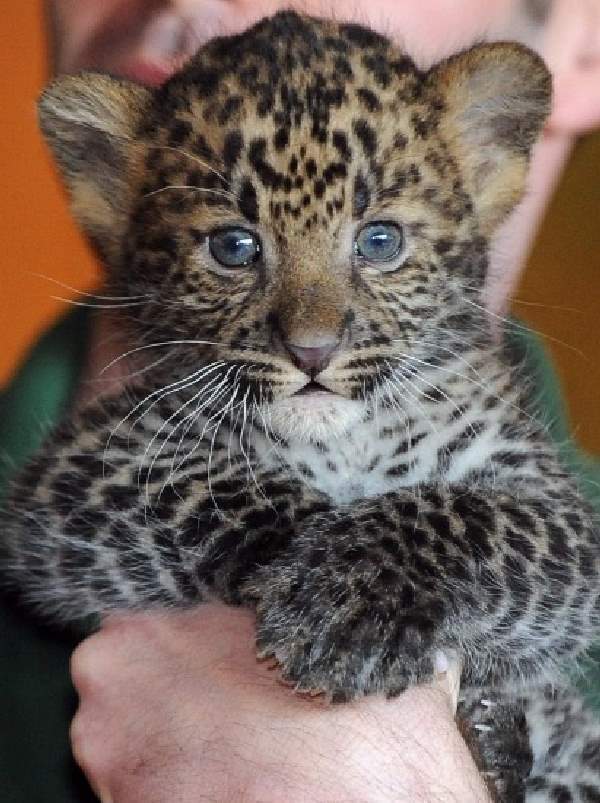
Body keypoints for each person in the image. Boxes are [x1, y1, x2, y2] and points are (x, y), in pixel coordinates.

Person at [1, 0, 600, 800]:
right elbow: (61, 513)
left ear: (487, 162)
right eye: (232, 245)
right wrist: (280, 541)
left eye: (379, 241)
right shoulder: (148, 446)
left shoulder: (479, 429)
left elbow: (565, 570)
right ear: (114, 191)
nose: (310, 329)